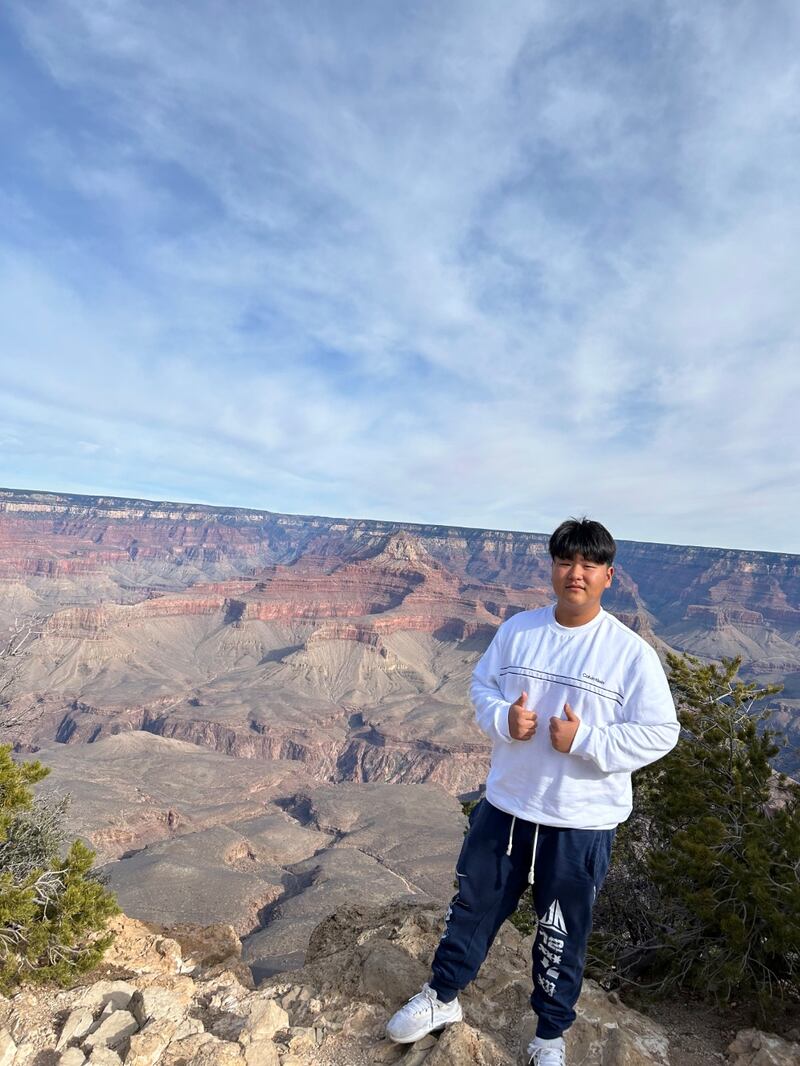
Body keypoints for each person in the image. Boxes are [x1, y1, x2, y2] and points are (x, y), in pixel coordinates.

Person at [385, 518, 680, 1066]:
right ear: (552, 567)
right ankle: (442, 997)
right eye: (566, 561)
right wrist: (503, 720)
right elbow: (482, 686)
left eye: (589, 564)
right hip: (507, 807)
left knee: (561, 930)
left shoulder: (630, 654)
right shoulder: (518, 631)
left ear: (608, 576)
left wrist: (586, 739)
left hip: (581, 820)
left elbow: (663, 733)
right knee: (473, 906)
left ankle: (549, 1038)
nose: (576, 573)